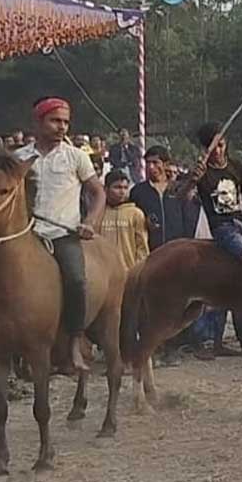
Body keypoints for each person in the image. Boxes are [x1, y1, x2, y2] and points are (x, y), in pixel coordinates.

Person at [13, 97, 106, 374]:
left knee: (76, 280)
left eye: (65, 122)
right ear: (38, 122)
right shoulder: (19, 158)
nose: (62, 127)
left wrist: (90, 221)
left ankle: (75, 341)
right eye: (55, 121)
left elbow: (98, 193)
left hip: (63, 234)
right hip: (26, 235)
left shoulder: (76, 156)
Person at [186, 122, 242, 334]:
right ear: (205, 149)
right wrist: (191, 182)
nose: (218, 151)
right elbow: (183, 197)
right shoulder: (202, 172)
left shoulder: (236, 166)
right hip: (223, 228)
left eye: (221, 145)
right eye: (213, 147)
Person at [130, 145, 195, 251]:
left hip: (177, 250)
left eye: (155, 162)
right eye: (148, 163)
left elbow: (189, 219)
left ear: (166, 165)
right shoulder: (137, 191)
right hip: (149, 251)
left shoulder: (178, 189)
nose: (151, 167)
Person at [99, 170, 149, 273]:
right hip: (103, 273)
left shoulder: (135, 214)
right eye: (117, 187)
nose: (122, 192)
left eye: (125, 188)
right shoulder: (98, 213)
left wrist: (137, 271)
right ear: (106, 189)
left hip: (129, 272)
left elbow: (142, 247)